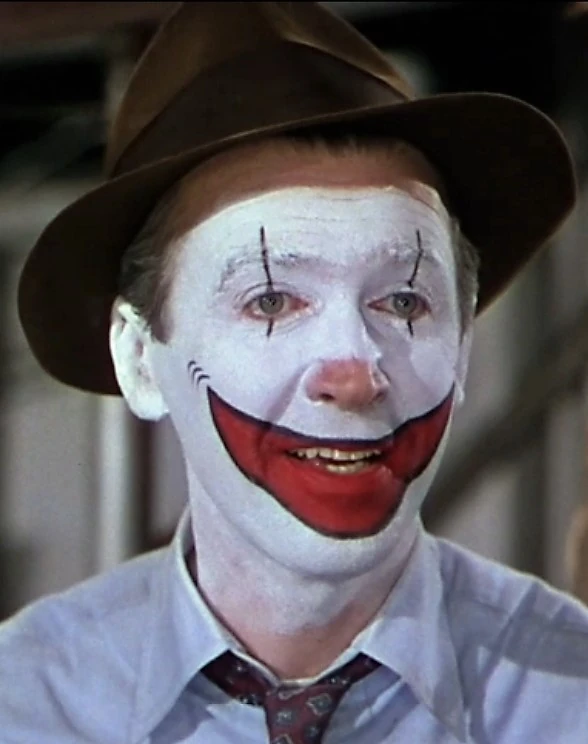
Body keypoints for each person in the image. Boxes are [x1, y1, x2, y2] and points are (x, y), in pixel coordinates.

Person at [2, 3, 588, 742]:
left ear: (463, 346)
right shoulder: (24, 703)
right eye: (272, 300)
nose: (355, 372)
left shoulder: (570, 698)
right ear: (141, 358)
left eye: (404, 301)